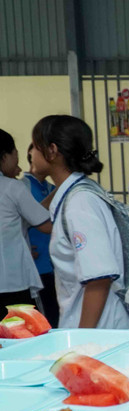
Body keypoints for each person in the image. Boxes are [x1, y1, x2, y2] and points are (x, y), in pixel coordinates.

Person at [31, 115, 129, 329]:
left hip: (101, 333)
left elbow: (99, 278)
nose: (31, 154)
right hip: (99, 328)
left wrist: (83, 338)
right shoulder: (77, 194)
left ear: (52, 151)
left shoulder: (80, 202)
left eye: (35, 146)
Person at [0, 129, 52, 311]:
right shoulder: (12, 187)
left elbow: (31, 217)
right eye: (15, 154)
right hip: (12, 282)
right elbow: (46, 225)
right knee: (19, 327)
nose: (17, 160)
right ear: (4, 156)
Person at [21, 144, 59, 326]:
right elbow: (26, 220)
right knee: (44, 320)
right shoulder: (22, 186)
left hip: (56, 266)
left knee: (57, 316)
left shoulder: (51, 187)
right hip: (37, 267)